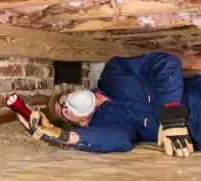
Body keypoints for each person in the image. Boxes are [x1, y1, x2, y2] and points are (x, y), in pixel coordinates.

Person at [18, 51, 201, 158]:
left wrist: (170, 115)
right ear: (81, 123)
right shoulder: (103, 124)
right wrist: (66, 137)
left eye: (64, 99)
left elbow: (165, 62)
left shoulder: (113, 71)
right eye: (66, 111)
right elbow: (119, 140)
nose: (69, 104)